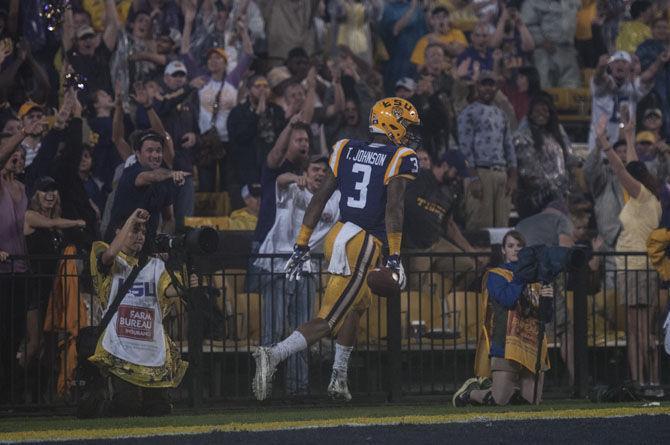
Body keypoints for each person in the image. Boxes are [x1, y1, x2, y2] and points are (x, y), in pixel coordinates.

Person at [252, 97, 421, 401]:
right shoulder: (401, 156)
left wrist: (301, 244)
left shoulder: (345, 147)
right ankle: (273, 355)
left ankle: (338, 378)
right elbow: (394, 208)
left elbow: (319, 198)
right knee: (329, 318)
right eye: (406, 125)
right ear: (391, 123)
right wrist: (395, 256)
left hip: (340, 236)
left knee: (357, 306)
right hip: (364, 242)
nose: (408, 133)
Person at [88, 208, 191, 417]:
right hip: (121, 347)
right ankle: (96, 406)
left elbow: (172, 290)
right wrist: (131, 218)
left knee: (159, 409)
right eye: (135, 230)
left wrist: (183, 264)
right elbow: (107, 256)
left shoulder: (155, 265)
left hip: (149, 347)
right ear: (120, 230)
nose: (140, 236)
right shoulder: (106, 254)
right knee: (126, 407)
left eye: (143, 232)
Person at [255, 155, 340, 396]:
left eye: (325, 170)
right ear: (306, 171)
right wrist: (296, 177)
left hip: (307, 269)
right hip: (278, 267)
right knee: (272, 329)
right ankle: (265, 388)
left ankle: (298, 390)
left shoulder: (334, 199)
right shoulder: (293, 189)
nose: (320, 173)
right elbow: (279, 180)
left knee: (302, 334)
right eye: (315, 169)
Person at [596, 114, 663, 395]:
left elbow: (623, 170)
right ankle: (651, 383)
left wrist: (605, 144)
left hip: (635, 267)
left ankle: (644, 382)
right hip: (642, 268)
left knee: (639, 333)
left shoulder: (642, 196)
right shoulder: (647, 198)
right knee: (643, 331)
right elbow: (633, 167)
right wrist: (631, 134)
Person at [453, 230, 553, 406]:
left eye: (519, 246)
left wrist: (547, 299)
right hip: (507, 342)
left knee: (532, 402)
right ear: (503, 250)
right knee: (498, 401)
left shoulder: (536, 278)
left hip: (532, 343)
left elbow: (546, 317)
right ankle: (471, 393)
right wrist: (522, 276)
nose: (515, 250)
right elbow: (508, 300)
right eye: (511, 246)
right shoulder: (496, 275)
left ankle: (512, 391)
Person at [403, 150, 478, 291]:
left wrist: (469, 250)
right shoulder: (418, 180)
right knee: (415, 292)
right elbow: (399, 209)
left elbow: (448, 224)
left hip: (436, 243)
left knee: (468, 267)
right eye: (456, 173)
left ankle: (447, 305)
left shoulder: (451, 191)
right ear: (444, 165)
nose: (458, 178)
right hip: (415, 248)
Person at [105, 129, 189, 245]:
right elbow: (152, 176)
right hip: (118, 247)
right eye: (149, 151)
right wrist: (172, 174)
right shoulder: (131, 172)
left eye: (158, 151)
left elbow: (169, 218)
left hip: (146, 248)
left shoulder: (164, 181)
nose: (155, 155)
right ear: (137, 153)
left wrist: (163, 244)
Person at [458, 71, 517, 229]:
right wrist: (473, 178)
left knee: (502, 227)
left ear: (496, 87)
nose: (487, 89)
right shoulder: (468, 112)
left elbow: (509, 145)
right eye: (484, 84)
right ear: (477, 86)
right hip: (480, 172)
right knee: (480, 226)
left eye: (491, 85)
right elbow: (464, 147)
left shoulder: (501, 114)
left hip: (501, 173)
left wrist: (513, 176)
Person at [513, 93, 574, 219]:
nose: (541, 114)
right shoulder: (523, 136)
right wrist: (551, 187)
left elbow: (569, 158)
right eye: (537, 110)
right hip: (535, 197)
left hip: (559, 194)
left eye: (545, 110)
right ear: (530, 114)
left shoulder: (557, 133)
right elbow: (528, 170)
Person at [521, 0, 581, 88]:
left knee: (572, 87)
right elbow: (528, 25)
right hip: (544, 51)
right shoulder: (532, 3)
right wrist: (541, 41)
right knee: (545, 87)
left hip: (568, 49)